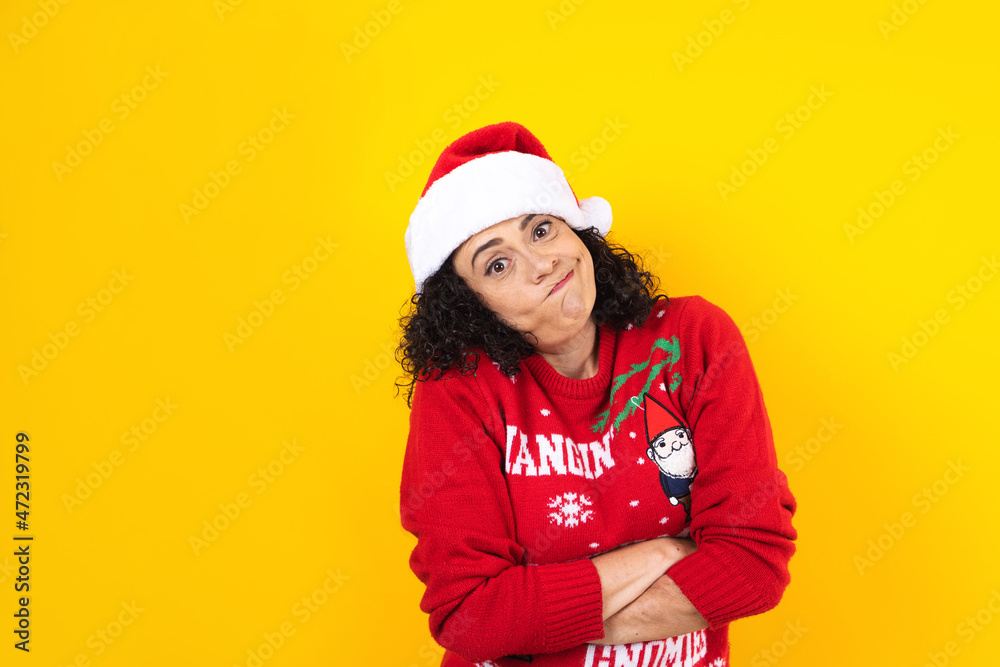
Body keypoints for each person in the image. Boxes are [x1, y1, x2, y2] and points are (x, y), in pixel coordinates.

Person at [396, 121, 797, 667]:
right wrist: (664, 551)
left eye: (540, 230)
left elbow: (751, 566)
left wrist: (538, 626)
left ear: (576, 230)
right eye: (497, 263)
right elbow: (471, 616)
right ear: (470, 305)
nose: (541, 264)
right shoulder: (459, 393)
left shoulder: (693, 339)